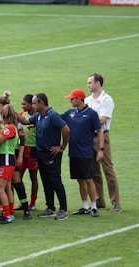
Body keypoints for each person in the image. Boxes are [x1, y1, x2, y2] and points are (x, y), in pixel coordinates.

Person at [18, 93, 70, 221]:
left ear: (41, 103)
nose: (33, 105)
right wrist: (9, 110)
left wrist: (62, 147)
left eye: (35, 103)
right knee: (46, 181)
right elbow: (25, 121)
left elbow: (66, 129)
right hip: (40, 154)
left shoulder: (52, 115)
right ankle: (50, 208)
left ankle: (63, 209)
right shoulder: (38, 116)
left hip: (52, 154)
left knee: (55, 181)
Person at [61, 88, 104, 218]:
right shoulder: (70, 113)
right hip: (73, 152)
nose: (70, 101)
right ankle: (85, 206)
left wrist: (101, 150)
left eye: (72, 99)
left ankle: (94, 206)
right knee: (80, 180)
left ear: (79, 99)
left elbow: (99, 131)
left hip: (86, 152)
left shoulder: (91, 114)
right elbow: (56, 120)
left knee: (89, 179)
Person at [85, 73, 122, 213]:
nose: (88, 85)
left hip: (102, 136)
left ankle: (116, 202)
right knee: (94, 171)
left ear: (98, 83)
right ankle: (99, 200)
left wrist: (85, 121)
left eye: (90, 83)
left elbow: (102, 120)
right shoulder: (88, 100)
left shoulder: (107, 99)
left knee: (108, 169)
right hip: (89, 136)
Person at [0, 104, 19, 224]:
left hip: (5, 159)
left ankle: (7, 215)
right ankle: (10, 213)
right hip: (7, 159)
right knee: (7, 188)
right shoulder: (8, 127)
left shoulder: (9, 128)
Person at [18, 94, 39, 210]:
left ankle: (33, 203)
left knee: (33, 177)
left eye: (24, 104)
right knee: (18, 177)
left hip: (34, 150)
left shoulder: (37, 116)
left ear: (31, 104)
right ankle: (24, 201)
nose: (22, 106)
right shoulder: (22, 115)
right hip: (23, 149)